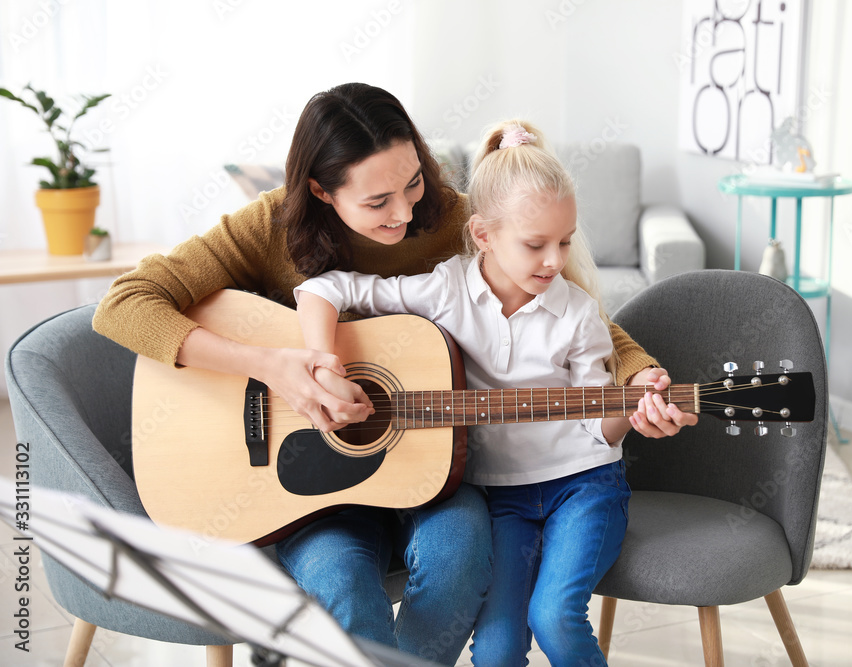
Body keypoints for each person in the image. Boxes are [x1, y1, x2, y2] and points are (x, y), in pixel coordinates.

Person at [92, 83, 696, 664]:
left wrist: (642, 374)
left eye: (412, 183)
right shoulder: (267, 226)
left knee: (462, 562)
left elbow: (573, 312)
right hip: (308, 484)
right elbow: (124, 304)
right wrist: (275, 366)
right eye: (378, 202)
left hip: (431, 463)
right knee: (345, 586)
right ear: (321, 192)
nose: (405, 211)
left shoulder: (459, 219)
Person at [294, 119, 697, 667]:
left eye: (565, 242)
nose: (555, 261)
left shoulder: (576, 315)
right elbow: (326, 286)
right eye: (536, 244)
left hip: (582, 487)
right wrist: (321, 365)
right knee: (498, 648)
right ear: (483, 235)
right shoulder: (443, 289)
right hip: (499, 498)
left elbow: (596, 429)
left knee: (554, 616)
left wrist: (632, 408)